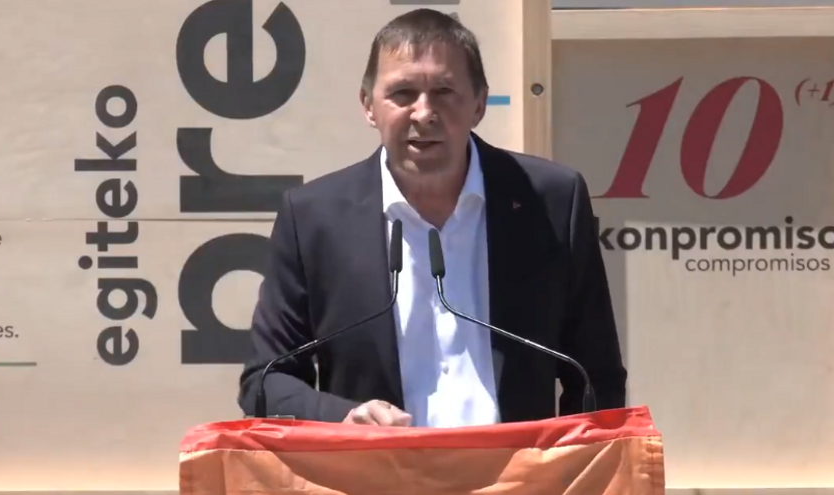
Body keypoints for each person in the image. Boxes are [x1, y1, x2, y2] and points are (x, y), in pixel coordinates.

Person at [238, 8, 626, 427]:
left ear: (479, 103)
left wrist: (569, 460)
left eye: (444, 91)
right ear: (368, 105)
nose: (424, 113)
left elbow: (596, 376)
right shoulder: (313, 218)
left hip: (517, 465)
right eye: (402, 93)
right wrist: (344, 417)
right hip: (374, 465)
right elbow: (265, 381)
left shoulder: (551, 201)